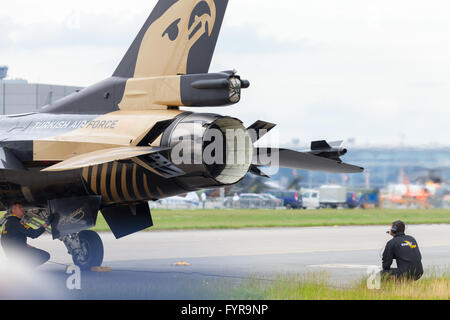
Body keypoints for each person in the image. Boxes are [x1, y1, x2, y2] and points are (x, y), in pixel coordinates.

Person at [1, 203, 52, 268]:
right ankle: (23, 269)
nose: (22, 209)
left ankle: (16, 265)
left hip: (11, 254)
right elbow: (34, 234)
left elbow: (9, 239)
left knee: (34, 251)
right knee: (45, 255)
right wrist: (47, 223)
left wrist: (25, 245)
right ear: (14, 210)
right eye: (20, 207)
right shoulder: (16, 223)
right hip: (18, 254)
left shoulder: (9, 223)